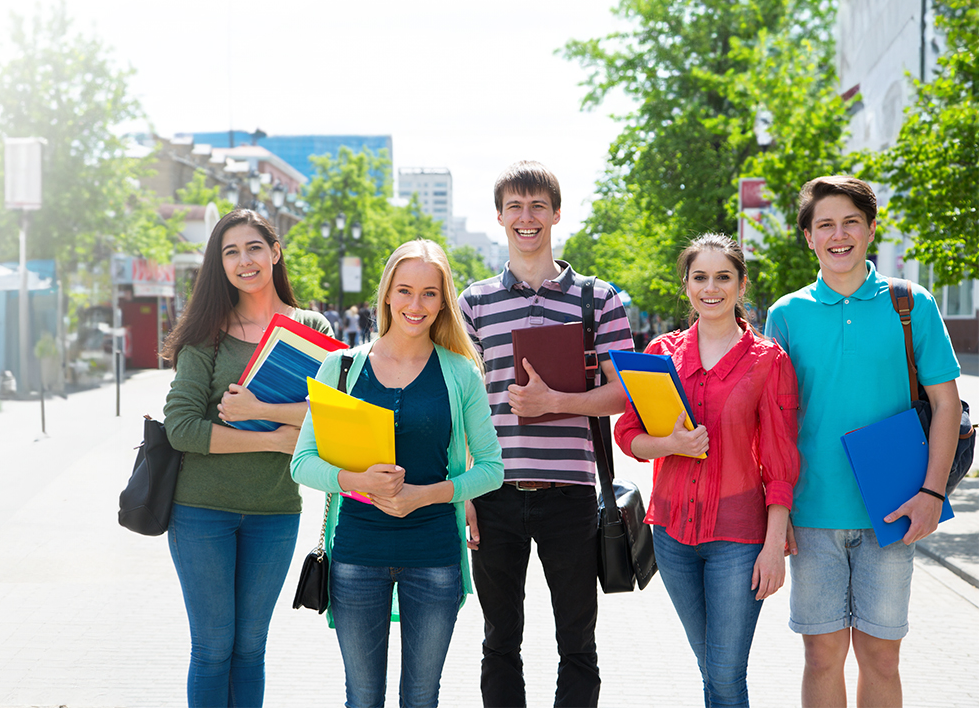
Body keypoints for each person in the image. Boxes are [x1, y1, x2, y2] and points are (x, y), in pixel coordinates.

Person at [765, 176, 963, 708]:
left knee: (881, 658)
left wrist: (933, 493)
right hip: (812, 514)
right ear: (808, 236)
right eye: (825, 224)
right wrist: (776, 515)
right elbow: (776, 423)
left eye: (851, 221)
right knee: (821, 657)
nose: (839, 234)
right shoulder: (786, 314)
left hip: (894, 511)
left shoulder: (911, 304)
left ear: (871, 229)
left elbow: (947, 405)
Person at [291, 239, 503, 708]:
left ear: (443, 301)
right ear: (387, 293)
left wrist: (424, 495)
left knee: (422, 699)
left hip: (435, 557)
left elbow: (492, 469)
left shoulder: (461, 372)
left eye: (429, 293)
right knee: (362, 698)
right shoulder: (341, 368)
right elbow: (302, 462)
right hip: (355, 556)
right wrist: (357, 481)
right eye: (405, 290)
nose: (415, 304)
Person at [457, 160, 634, 708]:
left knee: (577, 643)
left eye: (538, 206)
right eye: (515, 206)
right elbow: (458, 405)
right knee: (499, 642)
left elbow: (625, 393)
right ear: (499, 217)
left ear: (556, 214)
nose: (526, 217)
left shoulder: (598, 298)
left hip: (572, 496)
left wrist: (557, 401)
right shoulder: (474, 302)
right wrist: (462, 490)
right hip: (492, 494)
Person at [613, 233, 800, 707]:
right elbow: (627, 434)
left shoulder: (768, 360)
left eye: (723, 277)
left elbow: (781, 461)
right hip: (671, 536)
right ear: (687, 284)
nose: (710, 287)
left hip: (737, 539)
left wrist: (775, 545)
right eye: (700, 277)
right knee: (712, 668)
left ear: (741, 285)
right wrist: (669, 444)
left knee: (723, 670)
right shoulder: (660, 353)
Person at [159, 208, 336, 708]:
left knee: (251, 649)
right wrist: (276, 438)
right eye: (230, 252)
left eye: (254, 248)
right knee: (214, 649)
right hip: (200, 512)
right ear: (221, 264)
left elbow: (331, 415)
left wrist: (259, 410)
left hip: (275, 513)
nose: (244, 260)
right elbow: (182, 428)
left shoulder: (310, 327)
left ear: (275, 253)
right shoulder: (206, 331)